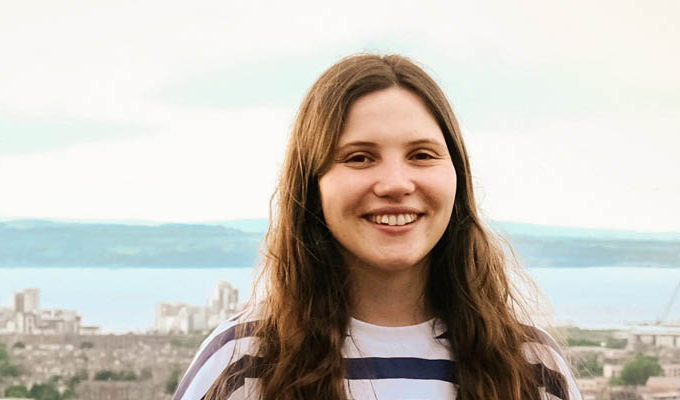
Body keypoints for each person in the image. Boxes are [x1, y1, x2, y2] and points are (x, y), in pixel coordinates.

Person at [173, 53, 581, 400]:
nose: (396, 184)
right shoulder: (245, 364)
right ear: (313, 186)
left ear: (458, 177)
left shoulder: (531, 368)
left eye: (421, 155)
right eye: (359, 158)